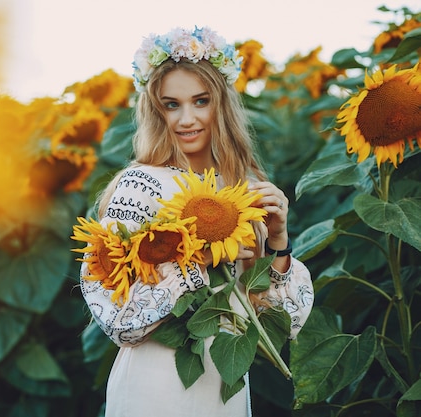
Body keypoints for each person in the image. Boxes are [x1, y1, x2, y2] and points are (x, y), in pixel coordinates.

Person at [78, 26, 314, 417]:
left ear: (221, 105)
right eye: (172, 104)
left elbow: (279, 325)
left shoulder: (242, 187)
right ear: (156, 110)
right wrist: (200, 257)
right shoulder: (142, 186)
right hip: (156, 382)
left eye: (200, 101)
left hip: (225, 381)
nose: (187, 119)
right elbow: (118, 320)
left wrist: (278, 238)